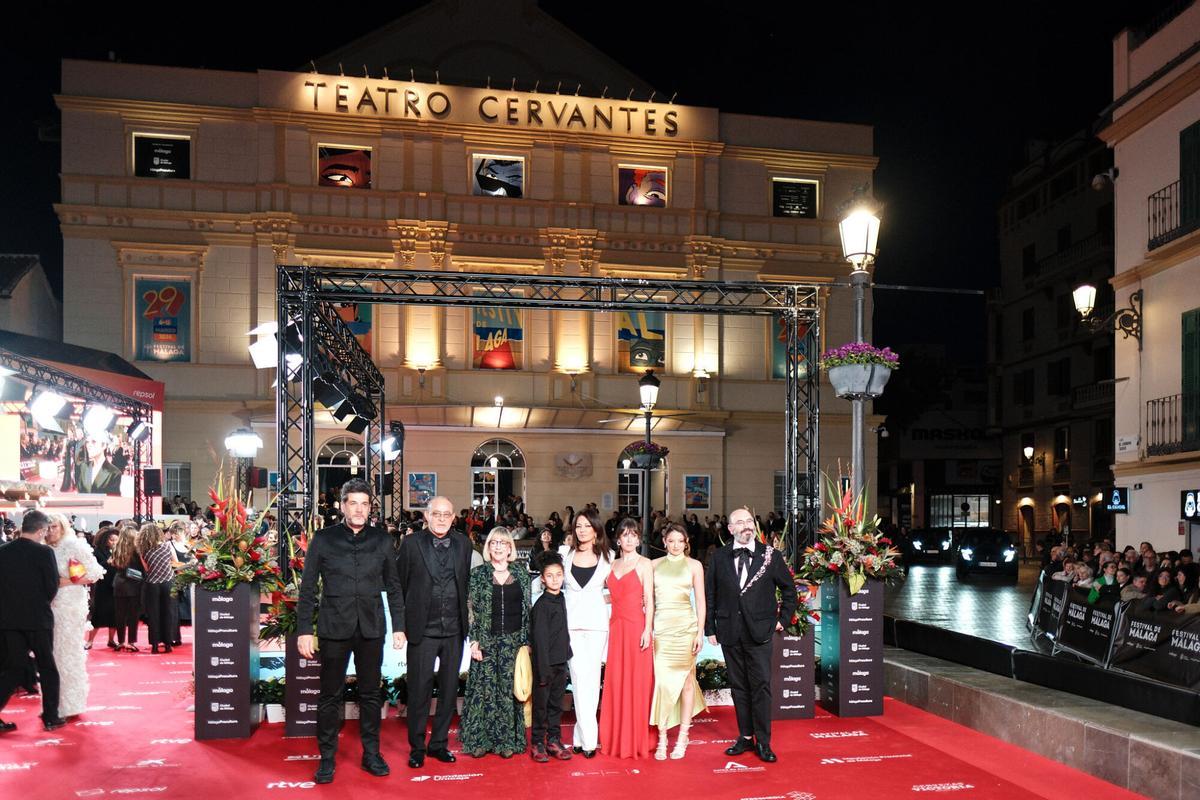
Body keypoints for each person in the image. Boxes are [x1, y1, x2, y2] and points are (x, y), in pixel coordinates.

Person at [296, 478, 404, 785]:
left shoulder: (382, 540)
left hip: (371, 628)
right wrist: (304, 630)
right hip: (334, 627)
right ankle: (327, 758)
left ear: (370, 508)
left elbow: (394, 586)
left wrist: (399, 626)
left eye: (364, 504)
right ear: (342, 506)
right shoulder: (323, 539)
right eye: (353, 503)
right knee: (329, 695)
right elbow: (307, 587)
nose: (359, 509)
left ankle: (372, 754)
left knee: (371, 694)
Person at [705, 507, 796, 764]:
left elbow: (789, 591)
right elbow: (711, 594)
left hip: (760, 633)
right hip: (730, 631)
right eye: (740, 522)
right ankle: (745, 737)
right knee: (739, 687)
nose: (746, 525)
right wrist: (710, 628)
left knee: (761, 687)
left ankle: (763, 742)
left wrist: (782, 620)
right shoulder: (719, 556)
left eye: (749, 521)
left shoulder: (770, 555)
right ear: (730, 529)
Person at [394, 495, 472, 769]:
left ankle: (439, 744)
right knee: (419, 692)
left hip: (454, 630)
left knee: (449, 692)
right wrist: (400, 625)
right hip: (422, 631)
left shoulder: (464, 543)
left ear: (453, 518)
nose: (441, 518)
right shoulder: (411, 544)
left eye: (446, 514)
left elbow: (465, 583)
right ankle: (417, 747)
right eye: (436, 513)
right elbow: (399, 586)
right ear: (426, 516)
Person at [460, 527, 530, 758]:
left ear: (510, 547)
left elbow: (526, 609)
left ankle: (507, 741)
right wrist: (474, 641)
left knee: (508, 691)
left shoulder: (520, 573)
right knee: (484, 691)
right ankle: (480, 741)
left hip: (513, 641)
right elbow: (470, 609)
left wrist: (526, 642)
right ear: (488, 547)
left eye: (503, 542)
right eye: (494, 542)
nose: (498, 546)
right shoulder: (478, 573)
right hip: (486, 641)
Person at [0, 510, 65, 732]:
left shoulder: (3, 551)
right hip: (38, 619)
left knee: (13, 669)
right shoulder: (45, 552)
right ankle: (50, 716)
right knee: (47, 667)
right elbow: (51, 586)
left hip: (8, 620)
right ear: (41, 530)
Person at [598, 518, 655, 759]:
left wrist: (647, 629)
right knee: (617, 681)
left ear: (639, 539)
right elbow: (609, 595)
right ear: (618, 539)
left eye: (634, 535)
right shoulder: (611, 564)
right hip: (616, 628)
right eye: (625, 535)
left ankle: (636, 738)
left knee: (637, 682)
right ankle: (616, 736)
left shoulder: (645, 564)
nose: (629, 539)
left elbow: (649, 600)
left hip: (636, 628)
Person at [651, 522, 708, 759]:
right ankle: (662, 737)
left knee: (686, 683)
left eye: (680, 541)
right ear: (664, 542)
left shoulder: (694, 565)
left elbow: (701, 601)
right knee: (662, 684)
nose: (675, 545)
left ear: (686, 543)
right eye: (671, 541)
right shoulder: (653, 565)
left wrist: (700, 632)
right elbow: (646, 600)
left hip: (686, 629)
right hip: (662, 632)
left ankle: (683, 736)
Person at [560, 508, 612, 757]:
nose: (581, 530)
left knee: (591, 680)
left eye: (586, 526)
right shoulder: (564, 554)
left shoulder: (609, 557)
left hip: (596, 625)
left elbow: (616, 590)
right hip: (570, 624)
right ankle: (587, 738)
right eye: (578, 526)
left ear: (596, 529)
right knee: (578, 679)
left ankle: (583, 738)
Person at [45, 513, 105, 719]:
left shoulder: (74, 545)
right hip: (48, 606)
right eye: (47, 527)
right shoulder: (43, 548)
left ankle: (70, 705)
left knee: (68, 654)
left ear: (63, 527)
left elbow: (95, 573)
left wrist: (65, 582)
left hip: (70, 606)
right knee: (51, 655)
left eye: (54, 526)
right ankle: (53, 704)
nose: (50, 531)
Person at [529, 553, 572, 763]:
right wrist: (543, 670)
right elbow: (539, 641)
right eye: (550, 576)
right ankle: (537, 742)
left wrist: (566, 656)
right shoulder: (541, 606)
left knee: (556, 705)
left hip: (560, 662)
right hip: (544, 666)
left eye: (558, 575)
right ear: (542, 579)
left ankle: (553, 740)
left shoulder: (561, 598)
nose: (555, 579)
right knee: (541, 706)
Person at [135, 523, 176, 654]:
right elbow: (175, 562)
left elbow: (146, 569)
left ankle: (154, 646)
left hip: (152, 584)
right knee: (167, 613)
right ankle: (168, 644)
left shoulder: (143, 550)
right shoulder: (167, 546)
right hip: (168, 582)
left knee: (153, 615)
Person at [109, 525, 142, 652]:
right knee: (133, 615)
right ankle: (131, 642)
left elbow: (113, 564)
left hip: (119, 584)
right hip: (134, 584)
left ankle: (121, 641)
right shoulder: (137, 550)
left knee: (120, 615)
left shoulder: (116, 548)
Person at [87, 527, 120, 649]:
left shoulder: (120, 551)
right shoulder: (97, 552)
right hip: (102, 586)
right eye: (111, 540)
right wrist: (107, 562)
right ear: (105, 540)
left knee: (115, 615)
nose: (114, 542)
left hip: (116, 586)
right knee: (98, 614)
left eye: (116, 540)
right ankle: (90, 640)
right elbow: (95, 568)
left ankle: (111, 640)